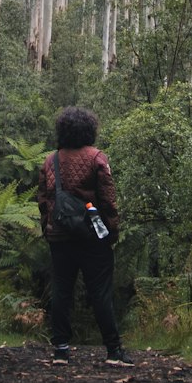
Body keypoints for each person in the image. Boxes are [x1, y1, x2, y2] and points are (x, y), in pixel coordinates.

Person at [36, 106, 133, 367]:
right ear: (90, 129)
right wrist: (112, 231)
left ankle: (60, 351)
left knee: (61, 290)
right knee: (100, 292)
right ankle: (113, 351)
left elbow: (43, 199)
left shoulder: (51, 161)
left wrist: (48, 227)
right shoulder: (97, 158)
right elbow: (108, 200)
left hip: (60, 236)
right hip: (93, 237)